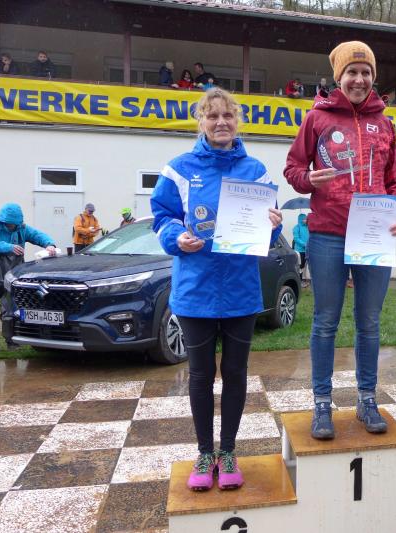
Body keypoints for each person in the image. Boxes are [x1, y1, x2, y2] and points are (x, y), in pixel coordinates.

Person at [152, 87, 283, 492]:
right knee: (201, 374)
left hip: (241, 290)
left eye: (227, 115)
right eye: (213, 116)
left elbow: (264, 227)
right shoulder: (179, 169)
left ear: (236, 120)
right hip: (196, 290)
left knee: (236, 373)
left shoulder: (255, 170)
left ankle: (228, 452)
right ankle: (204, 452)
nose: (221, 122)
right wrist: (176, 237)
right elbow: (162, 217)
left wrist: (272, 224)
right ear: (201, 121)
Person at [284, 41, 396, 440]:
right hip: (328, 234)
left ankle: (367, 399)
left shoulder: (385, 124)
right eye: (352, 72)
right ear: (339, 77)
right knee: (325, 322)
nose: (359, 79)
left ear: (373, 77)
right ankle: (322, 403)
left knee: (369, 323)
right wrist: (308, 179)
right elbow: (293, 167)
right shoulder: (317, 118)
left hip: (373, 234)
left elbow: (395, 179)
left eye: (366, 72)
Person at [0, 203, 56, 353]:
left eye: (15, 225)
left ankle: (12, 341)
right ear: (3, 221)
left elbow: (37, 235)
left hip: (13, 275)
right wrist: (8, 247)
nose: (13, 227)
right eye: (11, 225)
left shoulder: (21, 228)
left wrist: (49, 244)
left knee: (11, 308)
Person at [292, 213, 310, 287]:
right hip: (299, 250)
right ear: (300, 219)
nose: (306, 220)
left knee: (304, 266)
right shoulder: (296, 228)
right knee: (300, 265)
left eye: (306, 219)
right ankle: (299, 281)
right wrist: (304, 244)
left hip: (307, 250)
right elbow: (296, 238)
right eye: (304, 219)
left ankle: (302, 279)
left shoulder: (308, 227)